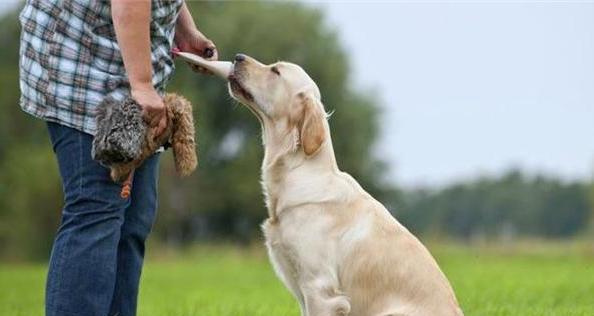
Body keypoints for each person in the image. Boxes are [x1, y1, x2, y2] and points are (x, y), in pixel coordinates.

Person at [18, 1, 217, 315]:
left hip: (130, 67)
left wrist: (184, 29)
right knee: (97, 209)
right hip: (84, 63)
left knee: (134, 218)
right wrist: (141, 84)